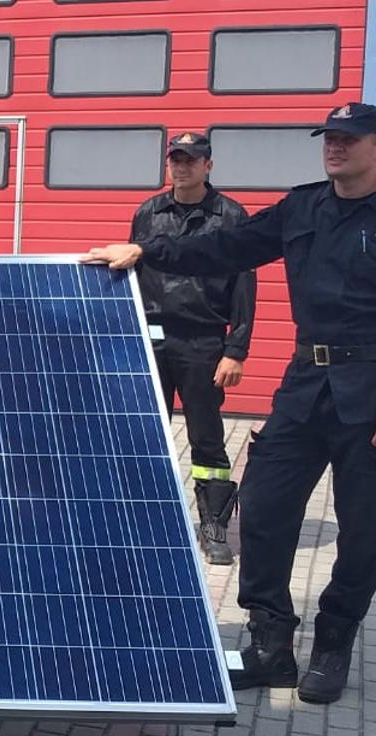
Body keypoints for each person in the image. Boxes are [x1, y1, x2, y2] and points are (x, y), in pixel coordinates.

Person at [84, 103, 376, 704]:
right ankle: (270, 647)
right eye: (329, 138)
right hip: (306, 385)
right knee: (260, 512)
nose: (335, 148)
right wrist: (146, 251)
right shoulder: (304, 206)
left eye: (349, 139)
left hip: (373, 395)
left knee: (363, 531)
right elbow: (228, 249)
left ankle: (333, 645)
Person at [129, 132, 255, 566]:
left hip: (204, 342)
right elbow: (131, 274)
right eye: (175, 160)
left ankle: (214, 525)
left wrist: (235, 349)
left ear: (208, 166)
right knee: (145, 434)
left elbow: (244, 283)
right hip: (152, 338)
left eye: (191, 160)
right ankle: (143, 518)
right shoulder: (148, 213)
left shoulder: (231, 216)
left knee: (206, 439)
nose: (181, 168)